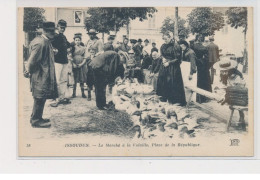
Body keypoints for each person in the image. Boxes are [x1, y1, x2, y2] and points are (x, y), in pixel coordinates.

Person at [24, 21, 58, 128]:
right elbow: (32, 60)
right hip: (40, 75)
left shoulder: (45, 41)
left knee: (41, 96)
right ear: (44, 31)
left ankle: (37, 117)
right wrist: (28, 70)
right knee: (39, 96)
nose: (52, 33)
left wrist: (52, 52)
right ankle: (36, 120)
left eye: (53, 31)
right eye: (49, 31)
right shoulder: (40, 42)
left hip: (44, 74)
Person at [213, 58, 246, 130]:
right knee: (222, 97)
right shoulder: (224, 75)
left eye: (225, 71)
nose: (224, 73)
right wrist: (221, 90)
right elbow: (225, 85)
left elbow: (239, 88)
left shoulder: (237, 76)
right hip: (230, 92)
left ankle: (242, 118)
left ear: (230, 69)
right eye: (222, 71)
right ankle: (240, 118)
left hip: (238, 93)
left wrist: (227, 92)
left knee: (237, 104)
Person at [156, 32, 186, 106]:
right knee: (163, 81)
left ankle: (175, 101)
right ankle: (165, 98)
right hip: (164, 66)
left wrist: (169, 63)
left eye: (166, 39)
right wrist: (163, 59)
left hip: (173, 68)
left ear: (170, 38)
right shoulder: (163, 46)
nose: (165, 41)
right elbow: (162, 54)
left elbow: (178, 59)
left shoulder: (176, 46)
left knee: (172, 83)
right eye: (164, 39)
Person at [51, 19, 71, 107]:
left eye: (64, 28)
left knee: (64, 80)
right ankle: (55, 99)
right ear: (57, 27)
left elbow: (69, 45)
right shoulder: (54, 36)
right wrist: (53, 49)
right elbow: (49, 46)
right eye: (61, 27)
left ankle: (61, 98)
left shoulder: (63, 37)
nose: (62, 29)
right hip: (57, 61)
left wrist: (70, 48)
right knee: (57, 80)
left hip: (64, 61)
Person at [193, 34, 212, 103]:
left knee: (200, 81)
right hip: (203, 65)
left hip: (200, 65)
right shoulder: (202, 47)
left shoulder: (195, 46)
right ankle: (204, 98)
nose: (200, 39)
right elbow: (207, 55)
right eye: (200, 38)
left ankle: (200, 98)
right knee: (204, 81)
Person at [70, 34, 88, 98]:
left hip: (81, 64)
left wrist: (81, 64)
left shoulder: (83, 48)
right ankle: (73, 93)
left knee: (81, 78)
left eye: (79, 40)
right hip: (74, 63)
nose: (77, 41)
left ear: (80, 41)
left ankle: (83, 93)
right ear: (74, 41)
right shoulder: (72, 48)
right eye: (76, 40)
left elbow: (85, 57)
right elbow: (70, 56)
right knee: (75, 79)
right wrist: (73, 64)